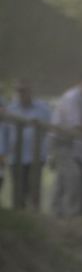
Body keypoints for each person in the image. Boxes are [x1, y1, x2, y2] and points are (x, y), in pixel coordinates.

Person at [48, 72, 82, 217]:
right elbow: (76, 125)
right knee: (73, 176)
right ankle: (69, 213)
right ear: (81, 81)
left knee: (62, 178)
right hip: (61, 140)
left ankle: (56, 212)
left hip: (70, 143)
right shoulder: (72, 97)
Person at [3, 80, 51, 210]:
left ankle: (34, 216)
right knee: (18, 188)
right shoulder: (10, 109)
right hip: (15, 157)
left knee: (34, 188)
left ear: (31, 91)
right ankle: (19, 216)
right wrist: (3, 153)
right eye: (19, 91)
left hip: (36, 156)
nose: (22, 94)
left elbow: (50, 131)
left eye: (25, 91)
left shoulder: (43, 109)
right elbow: (4, 132)